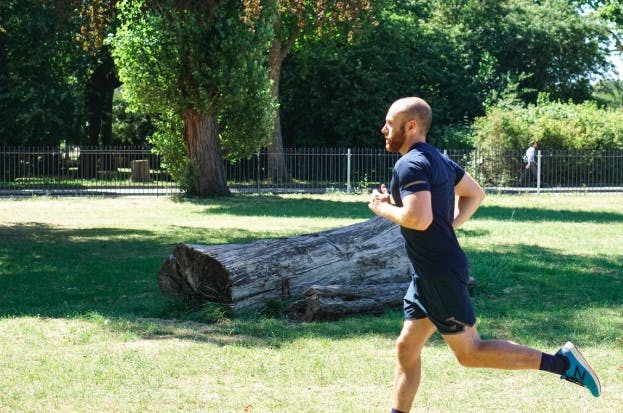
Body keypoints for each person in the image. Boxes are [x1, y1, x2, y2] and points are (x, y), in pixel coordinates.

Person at [368, 97, 600, 413]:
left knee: (471, 353)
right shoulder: (438, 159)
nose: (384, 129)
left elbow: (418, 219)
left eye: (390, 123)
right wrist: (446, 226)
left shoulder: (409, 164)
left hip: (438, 274)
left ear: (410, 126)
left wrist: (384, 209)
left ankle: (563, 364)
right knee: (407, 347)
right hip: (428, 273)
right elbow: (475, 193)